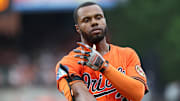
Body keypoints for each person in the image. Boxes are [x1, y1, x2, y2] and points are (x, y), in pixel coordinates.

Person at [55, 2, 149, 101]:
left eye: (98, 17)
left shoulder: (127, 54)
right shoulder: (67, 64)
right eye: (86, 20)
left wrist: (104, 67)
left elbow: (137, 94)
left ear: (105, 21)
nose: (94, 22)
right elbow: (80, 95)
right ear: (78, 28)